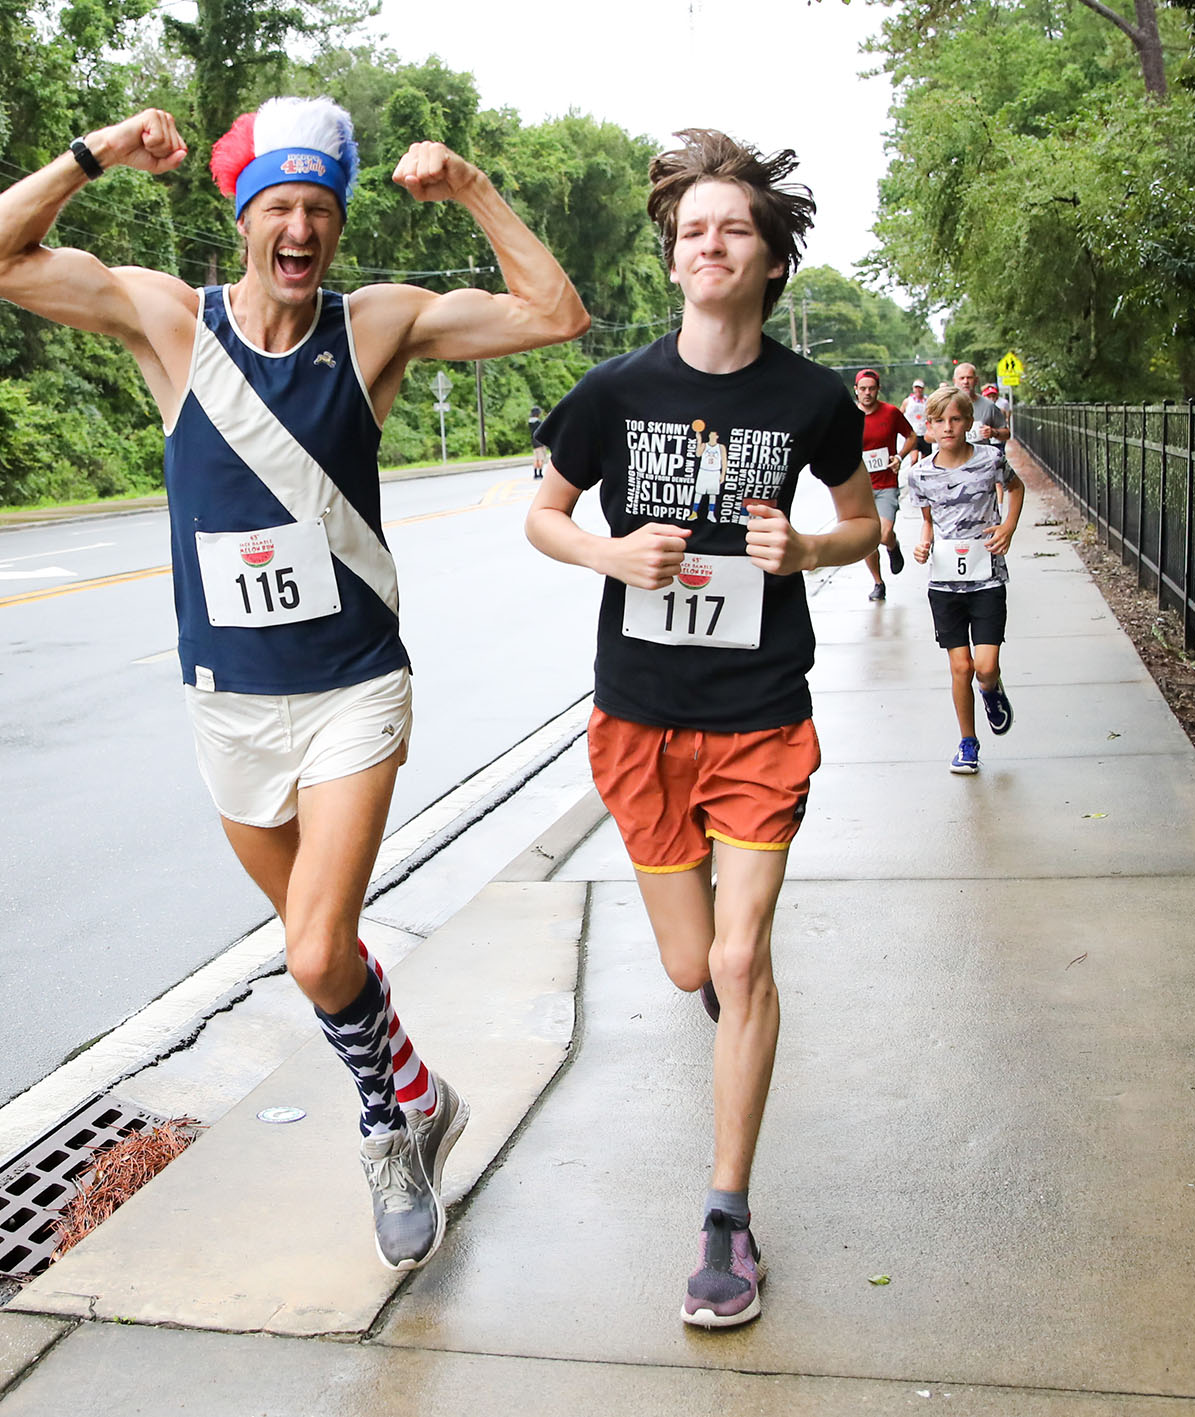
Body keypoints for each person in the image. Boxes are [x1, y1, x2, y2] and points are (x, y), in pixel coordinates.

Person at [0, 100, 589, 1271]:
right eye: (279, 208)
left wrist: (473, 188)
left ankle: (386, 1129)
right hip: (228, 698)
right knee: (323, 953)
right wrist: (92, 156)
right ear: (245, 223)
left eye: (320, 211)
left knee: (310, 949)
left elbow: (555, 313)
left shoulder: (374, 327)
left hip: (352, 686)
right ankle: (416, 1092)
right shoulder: (165, 321)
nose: (300, 228)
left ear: (336, 228)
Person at [524, 128, 877, 1329]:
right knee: (690, 967)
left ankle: (725, 1217)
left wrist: (813, 546)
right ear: (671, 261)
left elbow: (863, 522)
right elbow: (543, 516)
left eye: (732, 227)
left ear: (770, 259)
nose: (709, 243)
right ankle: (729, 991)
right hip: (640, 720)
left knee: (740, 958)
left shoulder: (810, 397)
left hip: (759, 715)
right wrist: (608, 550)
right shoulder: (617, 392)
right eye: (691, 231)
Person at [908, 384, 1022, 774]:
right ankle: (968, 743)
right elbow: (927, 522)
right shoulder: (920, 473)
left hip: (987, 576)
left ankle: (991, 691)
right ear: (929, 427)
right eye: (939, 421)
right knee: (961, 667)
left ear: (968, 422)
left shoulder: (990, 459)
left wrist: (1007, 526)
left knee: (985, 666)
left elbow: (1015, 487)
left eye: (955, 419)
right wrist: (923, 545)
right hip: (944, 583)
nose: (948, 427)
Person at [851, 369, 916, 601]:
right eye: (863, 389)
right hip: (859, 487)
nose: (867, 393)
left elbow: (911, 436)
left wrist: (899, 457)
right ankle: (878, 583)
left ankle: (892, 545)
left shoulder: (891, 412)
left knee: (883, 532)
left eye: (871, 389)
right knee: (868, 538)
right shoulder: (847, 416)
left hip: (886, 483)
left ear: (878, 390)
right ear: (856, 390)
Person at [953, 363, 1008, 449]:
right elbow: (928, 436)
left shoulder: (989, 406)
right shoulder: (946, 405)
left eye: (969, 377)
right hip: (954, 458)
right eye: (962, 378)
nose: (965, 382)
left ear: (976, 380)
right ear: (954, 381)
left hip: (982, 459)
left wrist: (994, 432)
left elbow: (1006, 434)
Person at [529, 404, 547, 477]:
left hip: (533, 442)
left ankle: (535, 473)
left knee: (535, 458)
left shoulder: (530, 422)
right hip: (540, 442)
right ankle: (540, 473)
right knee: (541, 458)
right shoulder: (539, 422)